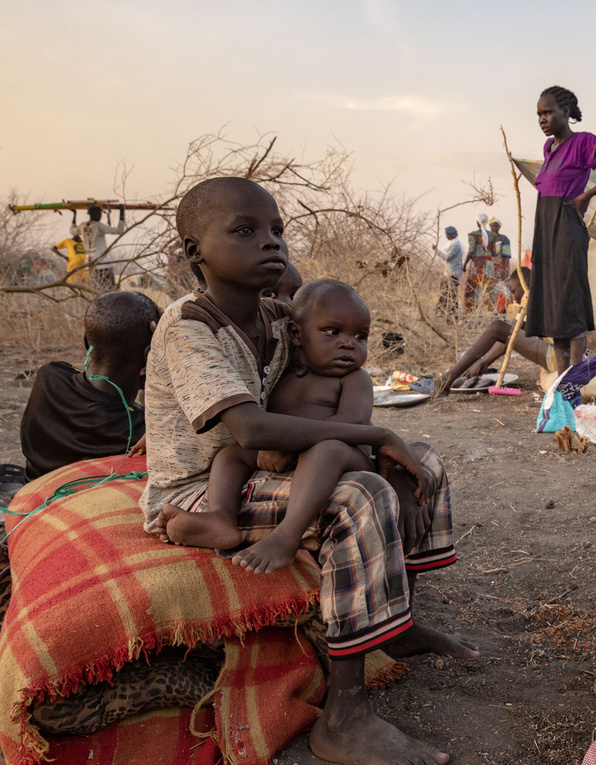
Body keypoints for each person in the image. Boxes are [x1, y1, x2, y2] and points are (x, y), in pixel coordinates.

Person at [140, 176, 477, 765]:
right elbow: (251, 430)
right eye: (245, 231)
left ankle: (400, 623)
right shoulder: (189, 326)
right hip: (204, 486)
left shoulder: (277, 318)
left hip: (270, 469)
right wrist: (376, 437)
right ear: (194, 251)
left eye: (277, 230)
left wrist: (382, 442)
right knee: (360, 496)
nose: (270, 242)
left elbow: (329, 367)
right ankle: (343, 719)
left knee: (422, 460)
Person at [162, 279, 379, 575]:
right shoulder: (283, 372)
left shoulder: (354, 378)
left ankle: (287, 536)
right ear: (296, 334)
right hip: (290, 456)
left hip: (345, 457)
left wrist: (286, 443)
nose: (348, 343)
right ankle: (221, 517)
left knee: (327, 448)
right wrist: (271, 445)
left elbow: (353, 422)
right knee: (230, 455)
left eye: (360, 336)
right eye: (333, 332)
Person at [528, 85, 596, 371]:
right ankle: (562, 380)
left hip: (566, 227)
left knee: (570, 300)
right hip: (545, 231)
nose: (542, 119)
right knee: (554, 305)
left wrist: (587, 195)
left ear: (565, 112)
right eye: (539, 114)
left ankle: (574, 378)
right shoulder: (549, 148)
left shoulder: (584, 142)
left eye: (548, 112)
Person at [20, 291, 159, 480]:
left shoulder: (49, 377)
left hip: (34, 491)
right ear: (150, 357)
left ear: (87, 341)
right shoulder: (141, 430)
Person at [438, 268, 555, 392]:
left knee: (496, 327)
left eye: (514, 291)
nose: (514, 297)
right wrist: (483, 362)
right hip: (557, 356)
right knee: (500, 330)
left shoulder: (531, 297)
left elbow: (506, 335)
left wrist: (483, 362)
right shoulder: (541, 296)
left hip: (554, 356)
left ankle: (447, 379)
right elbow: (510, 337)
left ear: (524, 285)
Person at [72, 204, 126, 290]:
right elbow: (119, 230)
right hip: (103, 264)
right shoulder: (98, 225)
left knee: (97, 289)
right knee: (111, 289)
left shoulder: (82, 226)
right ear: (96, 214)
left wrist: (74, 214)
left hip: (91, 265)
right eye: (100, 214)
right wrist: (122, 212)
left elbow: (72, 231)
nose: (100, 216)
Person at [436, 226, 463, 314]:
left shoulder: (456, 245)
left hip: (452, 273)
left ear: (449, 235)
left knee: (448, 294)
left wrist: (437, 251)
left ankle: (447, 313)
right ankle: (446, 313)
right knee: (447, 294)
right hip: (450, 273)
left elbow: (447, 258)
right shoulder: (454, 243)